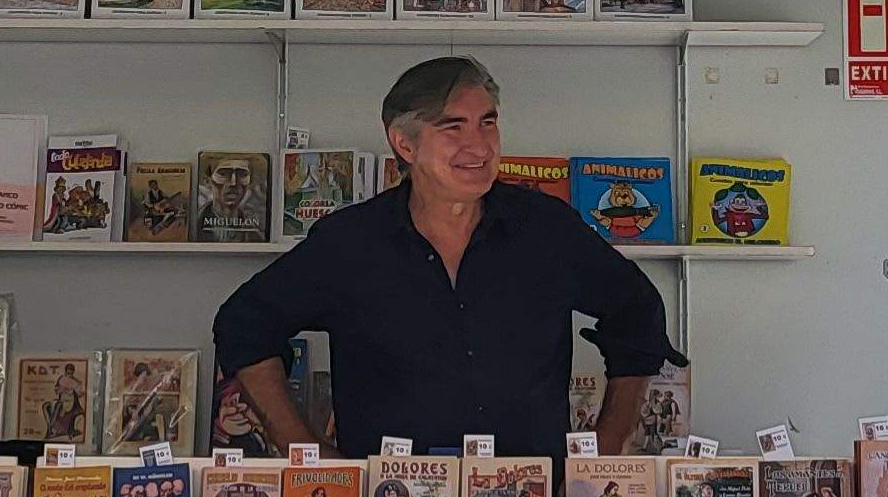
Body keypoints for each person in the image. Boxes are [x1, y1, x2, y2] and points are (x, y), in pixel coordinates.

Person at [213, 57, 679, 459]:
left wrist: (603, 450)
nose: (478, 145)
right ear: (405, 144)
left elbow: (636, 309)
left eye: (488, 122)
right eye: (453, 127)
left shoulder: (546, 229)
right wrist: (304, 452)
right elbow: (244, 325)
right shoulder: (350, 243)